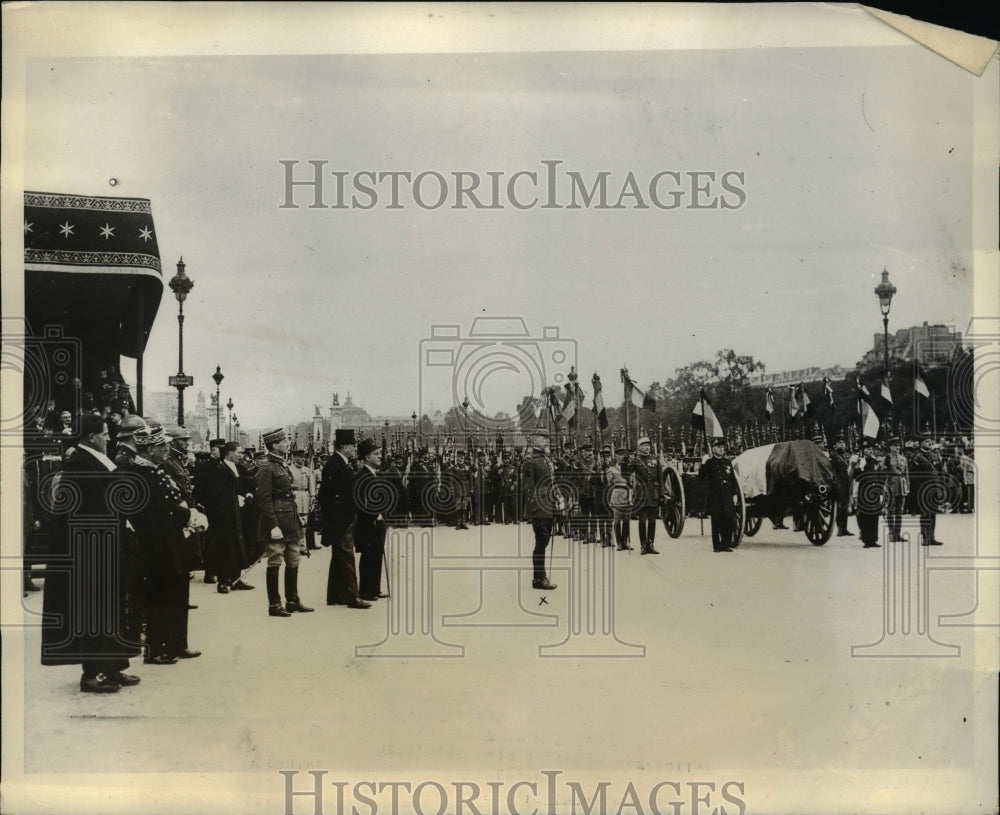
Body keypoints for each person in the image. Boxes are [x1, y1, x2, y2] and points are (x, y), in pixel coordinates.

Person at [40, 414, 143, 692]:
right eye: (104, 434)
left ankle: (113, 667)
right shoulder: (81, 464)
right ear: (91, 437)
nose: (108, 438)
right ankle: (92, 674)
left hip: (104, 547)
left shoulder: (91, 461)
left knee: (109, 610)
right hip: (91, 552)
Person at [129, 425, 207, 664]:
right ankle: (156, 649)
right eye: (162, 446)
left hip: (172, 542)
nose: (166, 450)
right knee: (159, 598)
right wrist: (188, 517)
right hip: (156, 546)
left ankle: (176, 643)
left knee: (176, 594)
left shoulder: (155, 470)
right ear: (150, 449)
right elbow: (158, 512)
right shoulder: (140, 474)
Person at [256, 428, 312, 616]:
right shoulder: (267, 468)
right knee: (275, 560)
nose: (288, 444)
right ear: (274, 445)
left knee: (293, 558)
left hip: (290, 520)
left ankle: (292, 600)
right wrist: (273, 526)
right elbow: (264, 500)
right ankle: (274, 605)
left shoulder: (281, 465)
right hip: (278, 523)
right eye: (284, 442)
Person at [320, 428, 370, 608]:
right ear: (343, 446)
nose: (354, 448)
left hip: (345, 516)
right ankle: (352, 597)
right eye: (352, 445)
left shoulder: (341, 463)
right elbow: (325, 495)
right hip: (340, 518)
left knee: (339, 556)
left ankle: (335, 595)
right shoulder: (334, 465)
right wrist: (335, 517)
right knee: (347, 556)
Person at [203, 442, 253, 593]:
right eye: (238, 452)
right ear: (229, 453)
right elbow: (215, 493)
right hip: (224, 516)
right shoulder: (219, 469)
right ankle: (223, 581)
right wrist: (234, 499)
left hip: (238, 514)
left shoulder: (237, 468)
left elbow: (244, 485)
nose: (240, 455)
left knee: (237, 547)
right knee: (225, 548)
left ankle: (236, 579)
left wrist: (246, 495)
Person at [520, 427, 557, 590]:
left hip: (549, 505)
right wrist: (534, 510)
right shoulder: (530, 461)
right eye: (543, 438)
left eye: (548, 437)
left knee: (544, 542)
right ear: (535, 440)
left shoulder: (546, 459)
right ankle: (539, 578)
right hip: (540, 508)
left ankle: (540, 577)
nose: (547, 440)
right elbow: (528, 488)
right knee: (541, 543)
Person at [354, 438, 390, 601]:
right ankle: (366, 590)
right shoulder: (362, 475)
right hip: (368, 523)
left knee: (377, 554)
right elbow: (361, 501)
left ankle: (375, 588)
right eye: (375, 454)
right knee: (368, 556)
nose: (379, 457)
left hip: (379, 521)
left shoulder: (376, 474)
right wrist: (374, 515)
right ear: (367, 457)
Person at [698, 438, 738, 552]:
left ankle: (726, 544)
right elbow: (701, 475)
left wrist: (735, 493)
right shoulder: (709, 463)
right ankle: (717, 546)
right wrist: (703, 463)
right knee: (716, 521)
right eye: (718, 447)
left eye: (722, 447)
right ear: (713, 448)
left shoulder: (728, 462)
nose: (721, 449)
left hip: (727, 495)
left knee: (728, 520)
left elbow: (733, 479)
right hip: (715, 497)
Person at [910, 438, 944, 546]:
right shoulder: (917, 457)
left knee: (932, 513)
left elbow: (938, 473)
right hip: (923, 489)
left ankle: (932, 537)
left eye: (930, 441)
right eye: (926, 441)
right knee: (925, 514)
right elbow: (912, 475)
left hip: (933, 489)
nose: (929, 443)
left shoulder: (932, 456)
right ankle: (925, 537)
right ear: (921, 443)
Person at [631, 435, 661, 555]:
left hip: (653, 493)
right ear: (639, 447)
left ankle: (651, 544)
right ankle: (643, 545)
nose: (647, 448)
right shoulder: (635, 461)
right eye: (644, 445)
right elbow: (626, 474)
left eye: (648, 445)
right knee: (642, 520)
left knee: (652, 520)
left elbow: (660, 479)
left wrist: (661, 494)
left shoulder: (655, 460)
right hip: (641, 494)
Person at [852, 439, 884, 548]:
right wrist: (857, 468)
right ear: (863, 450)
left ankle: (874, 539)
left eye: (871, 449)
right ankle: (866, 540)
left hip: (874, 491)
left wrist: (880, 491)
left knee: (874, 516)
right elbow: (857, 477)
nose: (870, 451)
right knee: (865, 516)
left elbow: (880, 477)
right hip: (864, 490)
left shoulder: (875, 462)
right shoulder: (861, 462)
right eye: (867, 449)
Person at [606, 448, 633, 551]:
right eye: (621, 456)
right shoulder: (612, 469)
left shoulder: (629, 469)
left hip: (628, 494)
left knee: (627, 520)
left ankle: (625, 542)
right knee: (617, 520)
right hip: (617, 495)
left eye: (624, 455)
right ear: (617, 457)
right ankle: (619, 543)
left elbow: (633, 481)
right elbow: (609, 483)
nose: (623, 458)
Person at [884, 436, 909, 542]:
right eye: (895, 445)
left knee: (899, 511)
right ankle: (892, 532)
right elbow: (884, 473)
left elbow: (906, 473)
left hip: (901, 484)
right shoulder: (887, 458)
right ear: (890, 447)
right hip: (891, 485)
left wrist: (907, 486)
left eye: (898, 445)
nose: (897, 447)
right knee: (891, 509)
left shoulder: (903, 458)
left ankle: (897, 534)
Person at [829, 434, 853, 537]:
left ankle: (845, 528)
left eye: (843, 443)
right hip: (838, 483)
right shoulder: (832, 455)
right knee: (838, 507)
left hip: (846, 482)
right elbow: (832, 470)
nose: (842, 445)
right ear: (835, 445)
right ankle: (839, 528)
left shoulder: (846, 456)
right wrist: (835, 482)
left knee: (845, 506)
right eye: (840, 443)